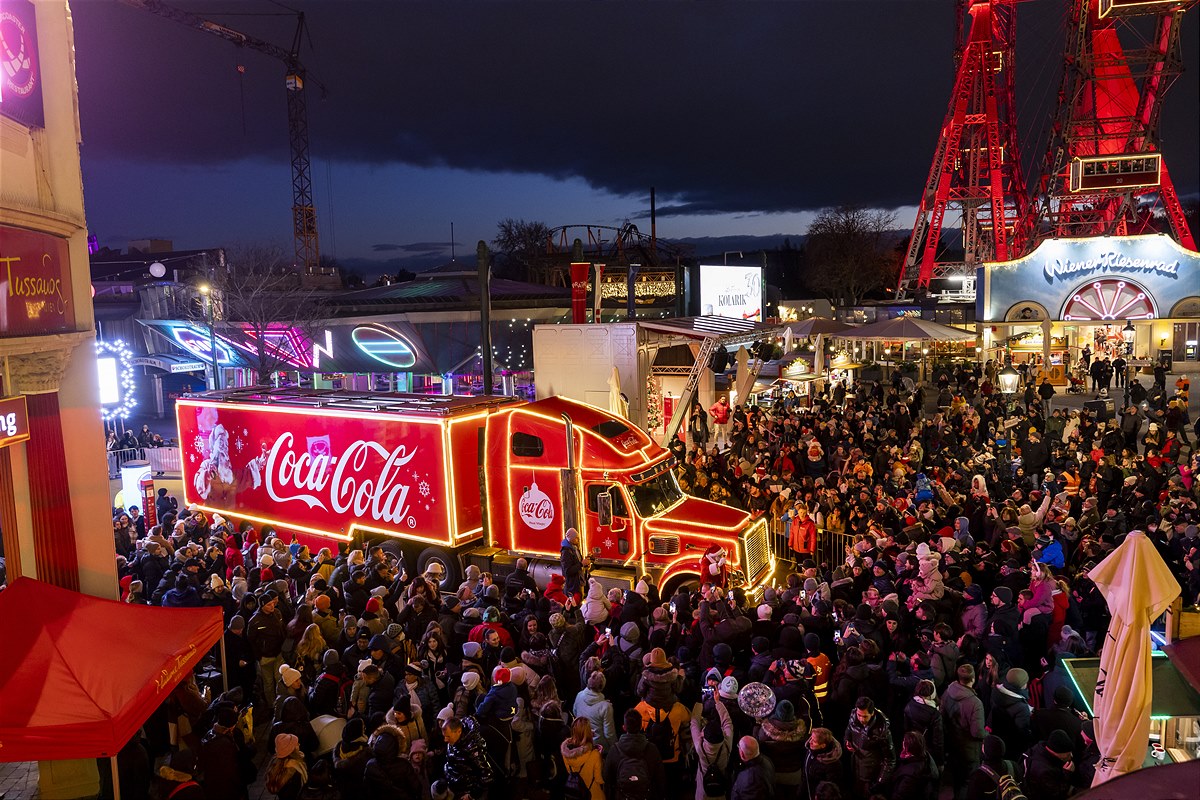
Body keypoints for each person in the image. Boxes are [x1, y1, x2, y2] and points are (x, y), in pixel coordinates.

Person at [943, 664, 986, 800]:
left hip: (951, 745)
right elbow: (977, 732)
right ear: (973, 679)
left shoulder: (948, 691)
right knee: (966, 782)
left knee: (956, 779)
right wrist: (987, 734)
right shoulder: (975, 703)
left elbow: (941, 715)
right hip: (969, 750)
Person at [603, 709, 666, 800]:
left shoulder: (614, 750)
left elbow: (607, 780)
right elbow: (660, 779)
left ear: (624, 727)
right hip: (646, 796)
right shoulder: (652, 749)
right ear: (641, 727)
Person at [843, 697, 895, 798]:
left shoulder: (882, 731)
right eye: (859, 715)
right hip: (855, 769)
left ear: (872, 713)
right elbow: (848, 730)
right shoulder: (853, 716)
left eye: (865, 716)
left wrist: (879, 782)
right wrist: (847, 741)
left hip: (870, 777)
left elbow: (890, 760)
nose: (861, 719)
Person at [444, 716, 495, 799]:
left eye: (448, 736)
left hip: (467, 792)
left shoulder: (472, 748)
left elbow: (487, 775)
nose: (445, 740)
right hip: (455, 787)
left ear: (459, 732)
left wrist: (472, 795)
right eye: (444, 736)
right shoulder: (454, 742)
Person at [561, 717, 606, 800]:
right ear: (588, 732)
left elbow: (569, 771)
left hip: (575, 793)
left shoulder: (566, 753)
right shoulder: (594, 754)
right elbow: (599, 779)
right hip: (593, 794)